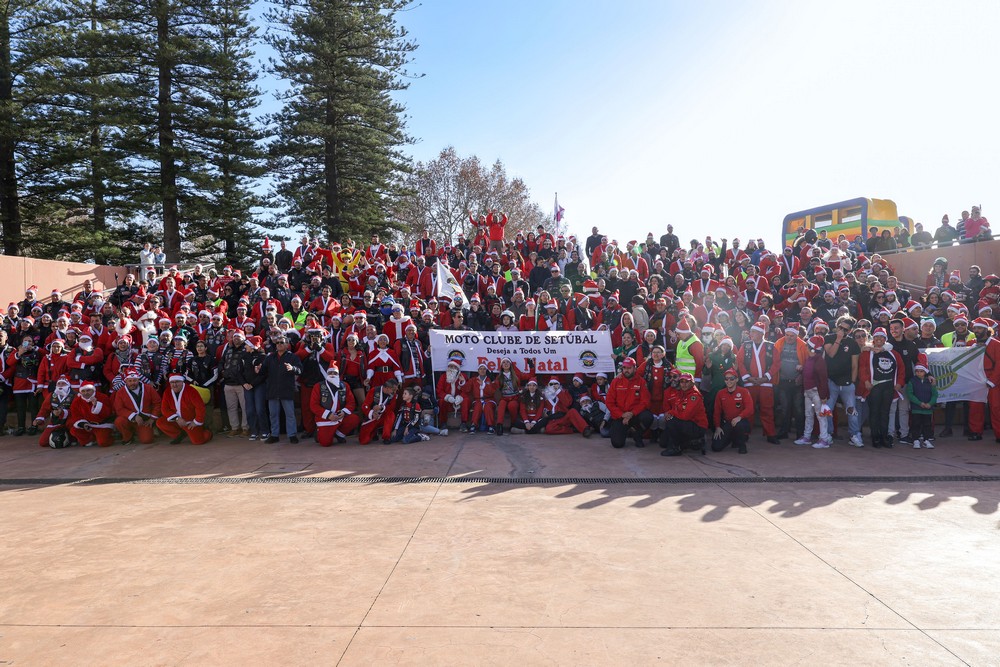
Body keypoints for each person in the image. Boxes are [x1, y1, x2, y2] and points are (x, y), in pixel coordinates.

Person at [858, 328, 904, 449]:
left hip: (888, 387)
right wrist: (866, 381)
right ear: (873, 339)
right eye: (876, 337)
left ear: (885, 339)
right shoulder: (867, 352)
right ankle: (875, 437)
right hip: (874, 387)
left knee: (885, 412)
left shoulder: (894, 353)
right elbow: (862, 368)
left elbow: (901, 369)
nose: (879, 339)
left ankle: (884, 437)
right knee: (874, 412)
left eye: (881, 337)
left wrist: (899, 383)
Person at [824, 316, 863, 446]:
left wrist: (852, 381)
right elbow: (830, 354)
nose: (842, 331)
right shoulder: (829, 338)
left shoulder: (852, 343)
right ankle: (827, 434)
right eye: (840, 327)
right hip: (831, 380)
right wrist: (839, 339)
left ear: (850, 331)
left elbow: (855, 365)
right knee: (828, 409)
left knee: (852, 410)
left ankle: (854, 434)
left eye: (845, 330)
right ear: (837, 325)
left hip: (847, 383)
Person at [261, 335, 303, 444]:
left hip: (286, 389)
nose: (279, 344)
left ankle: (292, 435)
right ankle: (274, 435)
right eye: (277, 343)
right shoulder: (270, 357)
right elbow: (264, 371)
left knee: (290, 414)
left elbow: (299, 370)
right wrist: (258, 369)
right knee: (273, 414)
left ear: (287, 345)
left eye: (282, 342)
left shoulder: (292, 357)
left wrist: (292, 368)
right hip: (272, 389)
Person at [607, 357, 652, 448]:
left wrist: (632, 413)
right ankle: (626, 431)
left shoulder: (641, 382)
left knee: (648, 417)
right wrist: (622, 415)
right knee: (617, 444)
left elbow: (645, 402)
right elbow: (609, 402)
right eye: (624, 368)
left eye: (629, 368)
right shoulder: (616, 381)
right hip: (620, 417)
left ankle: (637, 434)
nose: (626, 370)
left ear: (635, 368)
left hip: (635, 415)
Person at [772, 325, 806, 442]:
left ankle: (800, 433)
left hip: (797, 382)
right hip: (783, 381)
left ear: (797, 335)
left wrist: (802, 376)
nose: (789, 338)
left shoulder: (802, 345)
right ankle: (784, 432)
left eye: (792, 336)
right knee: (785, 408)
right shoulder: (778, 343)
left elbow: (807, 363)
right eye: (787, 335)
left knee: (798, 408)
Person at [659, 373, 708, 456]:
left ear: (692, 383)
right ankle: (692, 443)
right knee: (663, 443)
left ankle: (676, 448)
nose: (684, 384)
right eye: (682, 381)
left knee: (671, 420)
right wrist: (672, 412)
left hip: (697, 426)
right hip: (686, 424)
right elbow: (676, 408)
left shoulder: (694, 396)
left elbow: (685, 416)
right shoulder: (681, 393)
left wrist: (671, 413)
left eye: (686, 382)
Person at [967, 318, 1000, 442]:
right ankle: (976, 431)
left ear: (986, 330)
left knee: (996, 407)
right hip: (976, 379)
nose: (976, 331)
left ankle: (999, 434)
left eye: (979, 328)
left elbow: (999, 364)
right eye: (975, 328)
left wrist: (993, 381)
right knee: (975, 407)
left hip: (993, 380)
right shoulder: (971, 344)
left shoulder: (996, 344)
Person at [157, 374, 213, 445]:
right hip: (177, 421)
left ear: (182, 382)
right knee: (160, 422)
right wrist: (177, 418)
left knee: (198, 441)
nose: (174, 385)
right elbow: (164, 409)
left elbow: (200, 407)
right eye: (172, 382)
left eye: (177, 382)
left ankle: (207, 432)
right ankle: (180, 434)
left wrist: (196, 422)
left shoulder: (191, 390)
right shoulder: (167, 392)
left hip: (190, 422)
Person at [796, 335, 832, 448]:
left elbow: (823, 379)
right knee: (809, 414)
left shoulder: (819, 360)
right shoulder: (809, 359)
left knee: (821, 416)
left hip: (816, 392)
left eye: (807, 346)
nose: (805, 348)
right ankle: (807, 436)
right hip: (808, 392)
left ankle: (824, 439)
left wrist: (823, 395)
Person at [113, 369, 162, 445]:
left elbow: (157, 403)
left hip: (145, 420)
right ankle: (128, 437)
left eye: (134, 380)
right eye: (130, 381)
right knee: (119, 421)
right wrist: (134, 416)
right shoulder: (120, 392)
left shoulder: (148, 388)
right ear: (125, 381)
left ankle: (145, 430)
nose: (132, 383)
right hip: (129, 419)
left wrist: (152, 419)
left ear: (138, 380)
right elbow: (119, 409)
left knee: (147, 440)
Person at [712, 369, 754, 454]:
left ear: (737, 379)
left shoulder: (744, 391)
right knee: (716, 447)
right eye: (726, 379)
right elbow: (717, 411)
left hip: (741, 422)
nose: (729, 381)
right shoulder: (720, 393)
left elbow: (750, 408)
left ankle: (742, 445)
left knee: (739, 424)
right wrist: (717, 427)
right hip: (728, 423)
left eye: (731, 378)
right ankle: (732, 438)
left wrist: (740, 417)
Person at [68, 382, 115, 447]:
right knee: (74, 430)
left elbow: (108, 413)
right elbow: (76, 416)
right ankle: (89, 440)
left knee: (103, 443)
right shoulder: (76, 401)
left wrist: (96, 404)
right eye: (83, 391)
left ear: (93, 390)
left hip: (102, 425)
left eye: (88, 390)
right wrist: (83, 424)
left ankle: (107, 436)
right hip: (88, 425)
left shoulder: (103, 397)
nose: (85, 393)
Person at [906, 353, 937, 449]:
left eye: (921, 371)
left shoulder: (930, 382)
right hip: (916, 408)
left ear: (925, 372)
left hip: (928, 409)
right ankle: (915, 440)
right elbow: (910, 394)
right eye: (917, 371)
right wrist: (920, 403)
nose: (919, 373)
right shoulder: (912, 381)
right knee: (916, 424)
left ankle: (926, 440)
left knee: (927, 425)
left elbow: (935, 394)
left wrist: (930, 404)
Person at [359, 376, 399, 445]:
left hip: (383, 416)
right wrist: (371, 413)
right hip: (372, 417)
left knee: (391, 414)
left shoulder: (393, 395)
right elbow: (365, 405)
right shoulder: (374, 390)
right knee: (363, 441)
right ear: (387, 388)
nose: (395, 392)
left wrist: (381, 408)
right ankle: (374, 432)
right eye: (393, 390)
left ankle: (386, 437)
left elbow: (392, 407)